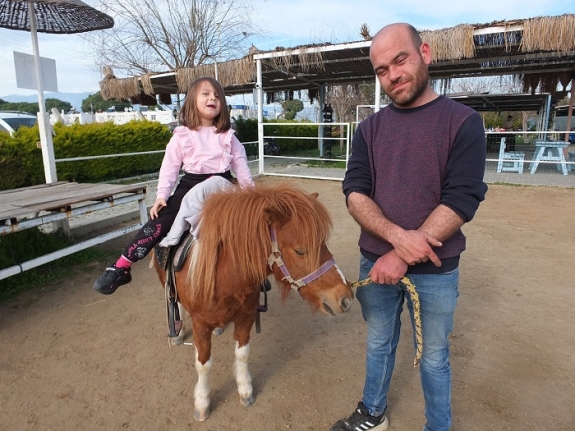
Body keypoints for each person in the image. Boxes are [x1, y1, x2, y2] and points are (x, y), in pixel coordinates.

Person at [331, 23, 487, 431]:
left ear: (426, 53)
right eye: (382, 69)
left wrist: (399, 254)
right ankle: (373, 414)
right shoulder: (368, 130)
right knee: (379, 341)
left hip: (436, 269)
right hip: (374, 265)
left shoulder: (464, 122)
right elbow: (355, 193)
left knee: (434, 356)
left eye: (400, 60)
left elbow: (461, 199)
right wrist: (398, 240)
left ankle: (438, 426)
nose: (393, 75)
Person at [93, 77, 254, 295]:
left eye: (217, 96)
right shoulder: (182, 136)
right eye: (205, 94)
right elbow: (169, 168)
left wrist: (250, 195)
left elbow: (241, 167)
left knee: (249, 222)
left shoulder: (229, 137)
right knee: (160, 218)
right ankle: (123, 264)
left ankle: (255, 268)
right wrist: (162, 195)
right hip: (191, 183)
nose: (213, 98)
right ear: (191, 101)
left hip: (222, 185)